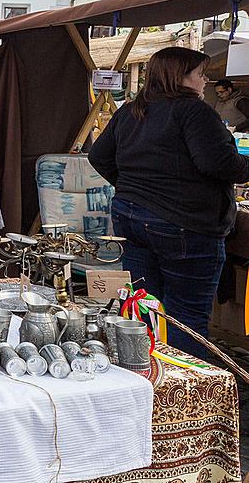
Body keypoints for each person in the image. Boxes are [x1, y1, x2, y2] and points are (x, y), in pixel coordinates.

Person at [89, 47, 249, 358]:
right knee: (185, 318)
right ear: (180, 77)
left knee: (147, 309)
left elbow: (98, 156)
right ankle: (180, 396)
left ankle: (147, 380)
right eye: (199, 74)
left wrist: (131, 189)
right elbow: (217, 163)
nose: (204, 81)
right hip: (184, 226)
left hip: (132, 219)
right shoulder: (193, 111)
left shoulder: (132, 111)